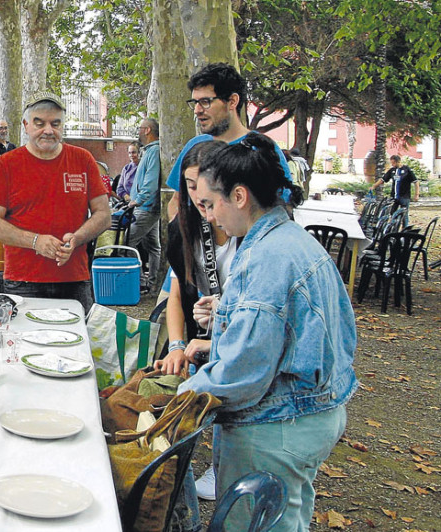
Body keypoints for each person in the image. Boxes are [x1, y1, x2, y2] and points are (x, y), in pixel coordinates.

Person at [180, 132, 357, 530]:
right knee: (287, 517)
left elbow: (245, 371)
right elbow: (304, 323)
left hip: (278, 425)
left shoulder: (267, 257)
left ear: (239, 196)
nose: (207, 216)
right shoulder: (292, 238)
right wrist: (228, 313)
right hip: (314, 415)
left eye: (210, 204)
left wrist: (181, 398)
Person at [154, 140, 235, 503]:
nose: (198, 196)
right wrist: (175, 345)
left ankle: (224, 468)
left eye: (203, 185)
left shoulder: (246, 230)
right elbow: (175, 292)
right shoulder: (183, 225)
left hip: (233, 341)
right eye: (188, 185)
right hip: (198, 337)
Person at [0, 91, 110, 312]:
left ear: (63, 126)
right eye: (39, 123)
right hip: (23, 281)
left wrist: (78, 237)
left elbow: (103, 215)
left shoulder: (83, 159)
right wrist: (35, 241)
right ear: (26, 125)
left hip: (74, 279)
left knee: (76, 343)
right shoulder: (6, 164)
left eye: (55, 123)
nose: (48, 131)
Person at [165, 63, 293, 219]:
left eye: (205, 101)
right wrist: (181, 237)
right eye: (195, 103)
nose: (197, 110)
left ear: (232, 101)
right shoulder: (194, 147)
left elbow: (281, 209)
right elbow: (176, 201)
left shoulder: (262, 149)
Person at [127, 118, 162, 291]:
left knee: (128, 242)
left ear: (147, 130)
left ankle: (141, 282)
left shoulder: (154, 151)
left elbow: (151, 182)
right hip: (148, 207)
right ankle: (153, 283)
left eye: (140, 128)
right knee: (153, 247)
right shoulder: (149, 151)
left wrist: (137, 200)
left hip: (145, 208)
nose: (138, 131)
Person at [370, 154, 419, 225]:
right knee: (392, 213)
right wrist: (374, 186)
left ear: (398, 162)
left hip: (404, 196)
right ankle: (393, 228)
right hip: (394, 197)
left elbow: (416, 181)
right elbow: (383, 179)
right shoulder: (392, 170)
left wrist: (416, 194)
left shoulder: (407, 170)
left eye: (393, 163)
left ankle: (405, 230)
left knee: (404, 215)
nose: (392, 164)